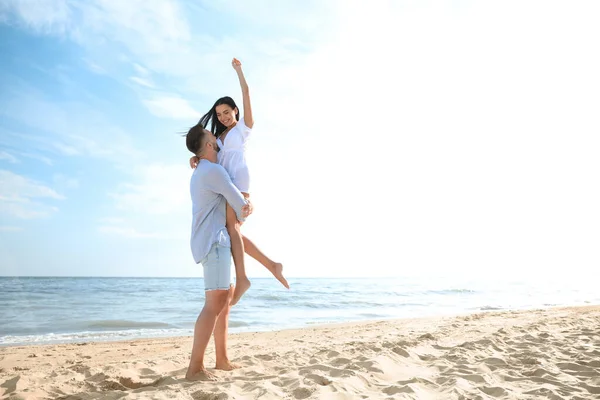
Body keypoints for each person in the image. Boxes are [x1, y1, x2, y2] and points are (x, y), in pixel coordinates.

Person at [190, 57, 288, 306]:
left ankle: (243, 277)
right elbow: (209, 153)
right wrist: (196, 158)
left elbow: (246, 91)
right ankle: (271, 265)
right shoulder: (219, 136)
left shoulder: (244, 127)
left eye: (227, 112)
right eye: (219, 114)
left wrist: (239, 70)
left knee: (233, 230)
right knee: (234, 232)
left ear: (235, 111)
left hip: (239, 180)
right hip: (225, 184)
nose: (223, 117)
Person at [185, 122, 251, 381]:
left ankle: (220, 360)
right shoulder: (213, 171)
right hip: (214, 243)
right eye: (213, 135)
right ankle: (195, 368)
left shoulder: (204, 168)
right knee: (214, 305)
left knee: (221, 302)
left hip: (211, 242)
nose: (217, 136)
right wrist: (249, 204)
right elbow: (240, 205)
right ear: (211, 145)